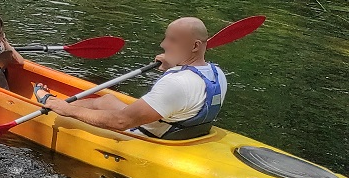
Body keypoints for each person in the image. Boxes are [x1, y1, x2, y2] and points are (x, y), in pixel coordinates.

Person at [34, 17, 227, 140]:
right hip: (182, 133)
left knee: (72, 111)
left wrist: (68, 110)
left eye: (172, 40)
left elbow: (121, 122)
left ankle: (56, 106)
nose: (163, 44)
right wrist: (174, 66)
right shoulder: (217, 73)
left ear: (195, 46)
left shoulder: (176, 83)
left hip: (146, 136)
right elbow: (187, 95)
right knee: (106, 100)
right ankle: (55, 104)